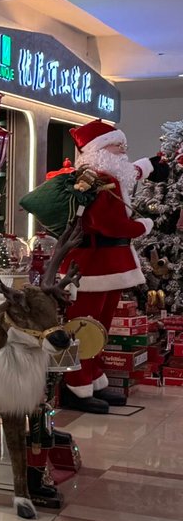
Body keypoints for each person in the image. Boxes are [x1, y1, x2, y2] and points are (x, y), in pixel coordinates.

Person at [59, 120, 166, 412]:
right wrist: (142, 226)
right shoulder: (97, 177)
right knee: (83, 328)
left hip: (109, 267)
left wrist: (150, 164)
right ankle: (75, 385)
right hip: (91, 268)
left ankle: (92, 379)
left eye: (124, 146)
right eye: (117, 145)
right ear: (98, 150)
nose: (123, 151)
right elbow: (106, 223)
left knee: (100, 328)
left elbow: (131, 172)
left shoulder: (111, 173)